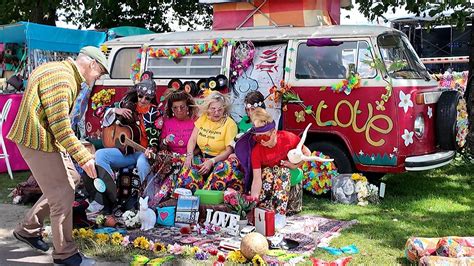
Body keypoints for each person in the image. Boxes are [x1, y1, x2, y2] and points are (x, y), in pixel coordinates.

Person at [7, 46, 107, 265]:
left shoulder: (59, 69)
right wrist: (85, 157)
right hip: (38, 141)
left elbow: (56, 124)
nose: (97, 78)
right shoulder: (64, 80)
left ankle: (28, 229)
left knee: (72, 178)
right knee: (63, 194)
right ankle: (65, 255)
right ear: (91, 65)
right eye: (99, 73)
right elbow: (61, 126)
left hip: (43, 138)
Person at [94, 71, 164, 213]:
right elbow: (98, 112)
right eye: (140, 96)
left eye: (148, 98)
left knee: (142, 162)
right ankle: (109, 194)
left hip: (141, 152)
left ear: (152, 98)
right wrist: (115, 110)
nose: (143, 100)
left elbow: (156, 135)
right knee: (100, 155)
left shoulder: (155, 113)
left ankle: (149, 202)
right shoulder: (126, 105)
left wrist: (152, 148)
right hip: (126, 152)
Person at [249, 108, 311, 216]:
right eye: (258, 138)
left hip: (290, 175)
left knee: (283, 172)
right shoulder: (257, 151)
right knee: (267, 172)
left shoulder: (288, 138)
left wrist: (295, 165)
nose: (262, 141)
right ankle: (265, 209)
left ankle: (279, 213)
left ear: (274, 132)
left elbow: (307, 153)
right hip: (271, 179)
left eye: (264, 136)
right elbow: (257, 179)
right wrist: (253, 201)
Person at [178, 91, 243, 192]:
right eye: (213, 109)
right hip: (202, 159)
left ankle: (206, 194)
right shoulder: (203, 118)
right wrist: (189, 155)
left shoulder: (230, 124)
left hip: (219, 161)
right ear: (208, 109)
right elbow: (193, 139)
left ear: (224, 109)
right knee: (184, 164)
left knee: (224, 168)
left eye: (220, 109)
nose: (216, 113)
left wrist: (212, 162)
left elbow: (229, 151)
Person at [148, 90, 197, 206]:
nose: (179, 110)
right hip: (171, 160)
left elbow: (199, 146)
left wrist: (189, 155)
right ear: (171, 109)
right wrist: (165, 141)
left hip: (189, 159)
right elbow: (162, 146)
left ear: (188, 107)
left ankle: (163, 201)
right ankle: (157, 200)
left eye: (182, 107)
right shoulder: (167, 123)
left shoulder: (195, 122)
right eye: (175, 108)